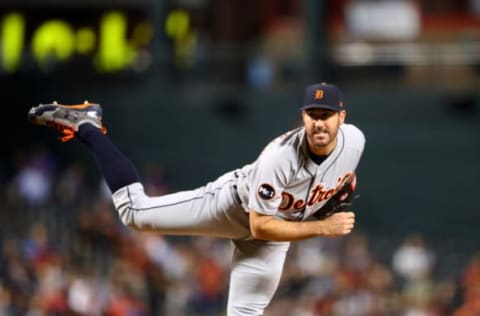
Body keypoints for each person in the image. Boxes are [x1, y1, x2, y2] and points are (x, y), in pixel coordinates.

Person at [28, 82, 366, 315]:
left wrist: (334, 194)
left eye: (327, 114)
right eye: (314, 114)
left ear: (342, 117)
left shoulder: (354, 142)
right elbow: (261, 226)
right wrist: (323, 227)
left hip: (274, 234)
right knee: (134, 214)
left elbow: (339, 178)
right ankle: (88, 124)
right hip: (233, 207)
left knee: (246, 312)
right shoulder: (280, 158)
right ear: (304, 117)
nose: (320, 122)